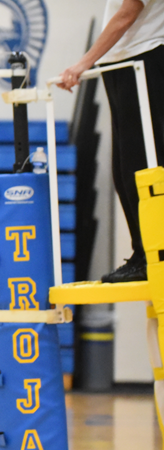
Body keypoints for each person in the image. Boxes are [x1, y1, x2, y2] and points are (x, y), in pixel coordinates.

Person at [57, 0, 164, 283]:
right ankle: (142, 253)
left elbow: (127, 14)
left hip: (145, 59)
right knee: (124, 168)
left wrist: (82, 63)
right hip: (121, 63)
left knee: (144, 165)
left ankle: (155, 254)